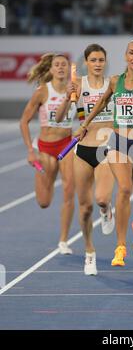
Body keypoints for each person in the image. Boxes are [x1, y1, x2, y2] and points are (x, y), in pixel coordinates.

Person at [74, 39, 133, 267]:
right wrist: (85, 124)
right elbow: (100, 103)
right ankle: (120, 247)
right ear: (126, 56)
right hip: (119, 143)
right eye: (132, 53)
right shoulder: (116, 81)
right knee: (124, 189)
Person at [56, 44, 115, 275]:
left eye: (101, 60)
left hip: (107, 148)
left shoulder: (114, 84)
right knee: (85, 208)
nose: (98, 64)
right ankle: (90, 252)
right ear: (86, 63)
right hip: (82, 150)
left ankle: (107, 209)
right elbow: (61, 118)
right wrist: (66, 97)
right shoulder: (78, 85)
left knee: (101, 199)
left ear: (105, 62)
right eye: (94, 60)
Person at [20, 53, 76, 255]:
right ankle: (48, 181)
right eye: (57, 65)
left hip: (67, 144)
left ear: (69, 69)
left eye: (64, 64)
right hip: (45, 148)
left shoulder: (75, 90)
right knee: (44, 202)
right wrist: (30, 150)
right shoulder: (43, 91)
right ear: (51, 69)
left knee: (70, 190)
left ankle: (63, 240)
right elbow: (24, 121)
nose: (61, 67)